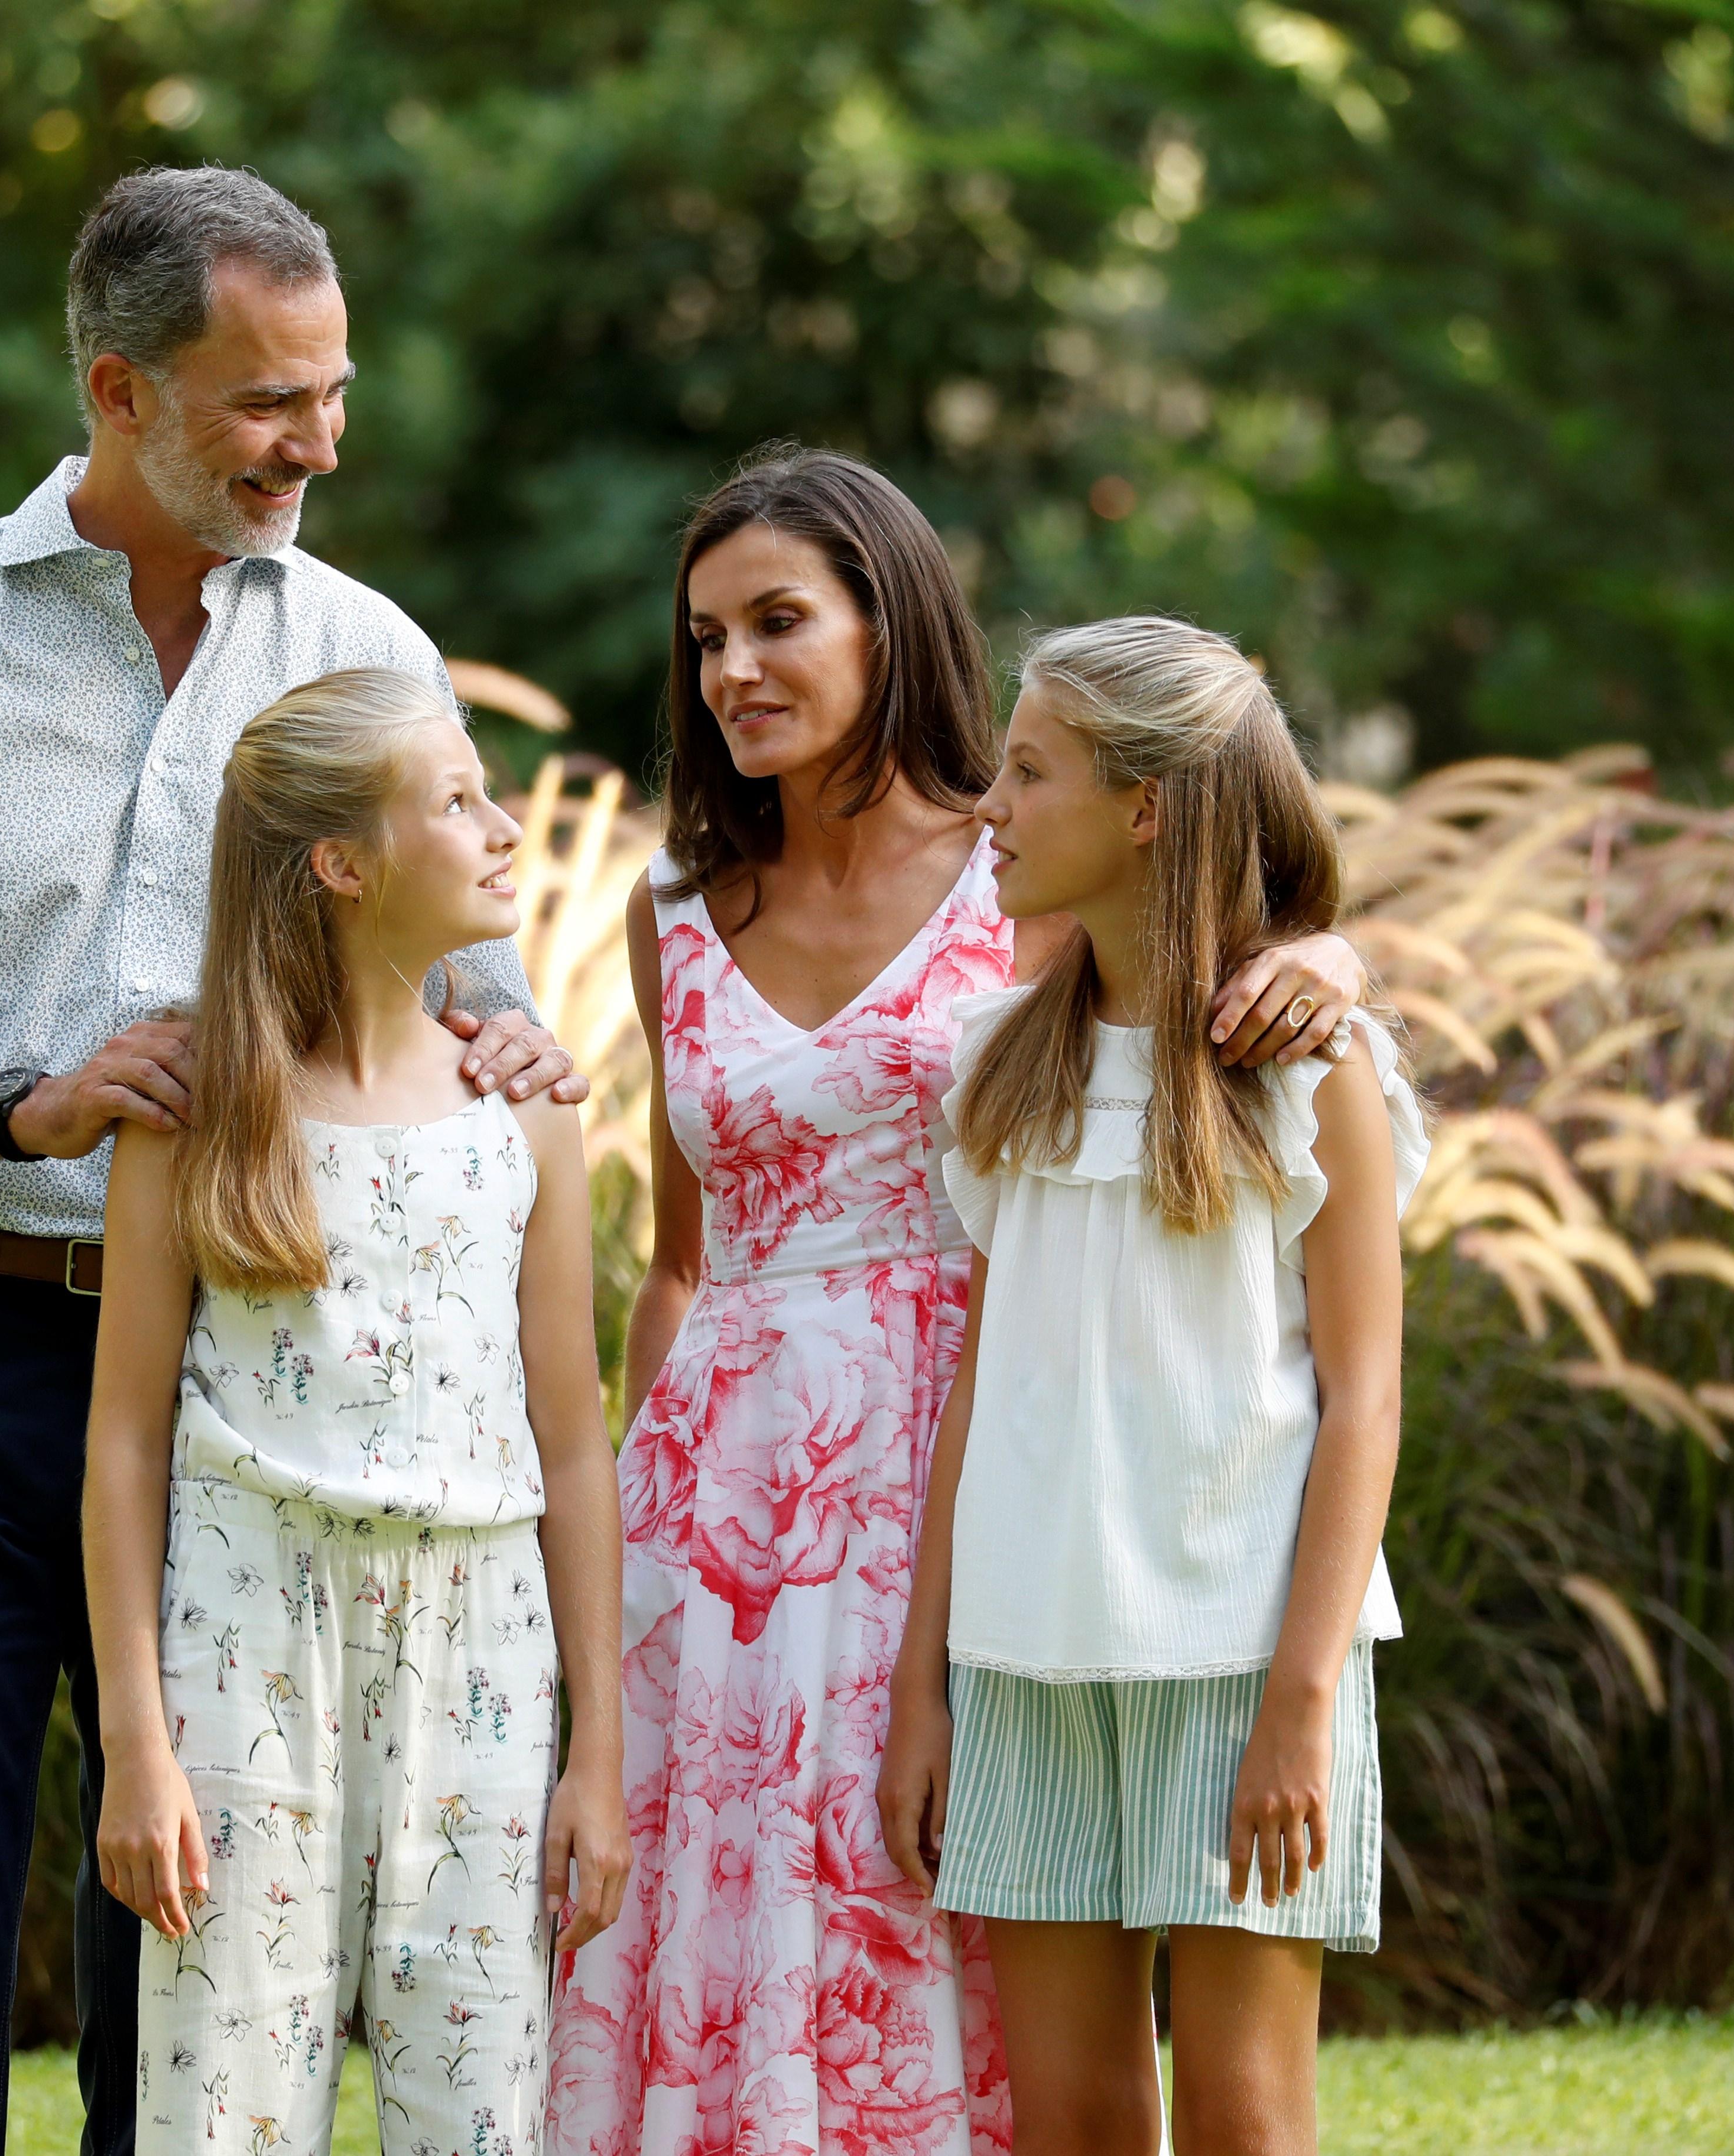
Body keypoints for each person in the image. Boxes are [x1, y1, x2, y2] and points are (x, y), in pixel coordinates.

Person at [0, 168, 582, 2156]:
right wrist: (23, 1102)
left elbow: (464, 988)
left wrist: (510, 1035)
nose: (321, 440)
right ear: (122, 387)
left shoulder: (366, 646)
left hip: (248, 1385)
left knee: (192, 1964)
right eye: (269, 400)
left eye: (335, 389)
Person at [547, 450, 1365, 2156]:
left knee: (942, 1946)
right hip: (725, 1504)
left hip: (996, 1465)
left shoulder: (1021, 879)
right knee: (729, 1928)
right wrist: (635, 1525)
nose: (733, 672)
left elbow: (1214, 948)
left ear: (888, 621)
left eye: (779, 622)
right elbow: (680, 1255)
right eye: (704, 640)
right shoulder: (676, 909)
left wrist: (1335, 957)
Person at [879, 617, 1426, 2156]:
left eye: (1031, 770)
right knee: (1076, 2121)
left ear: (1145, 811)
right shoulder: (998, 1065)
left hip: (1244, 1662)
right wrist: (928, 1689)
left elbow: (1365, 1405)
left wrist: (1302, 1709)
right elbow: (978, 1396)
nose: (992, 805)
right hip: (1025, 1659)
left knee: (1247, 2117)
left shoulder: (1318, 1076)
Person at [79, 668, 630, 2156]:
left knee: (482, 2100)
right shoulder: (194, 1117)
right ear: (342, 863)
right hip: (248, 1638)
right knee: (224, 2104)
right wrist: (139, 1742)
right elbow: (125, 1437)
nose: (507, 828)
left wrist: (601, 1752)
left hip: (486, 1648)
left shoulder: (520, 1113)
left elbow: (573, 1445)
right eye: (458, 801)